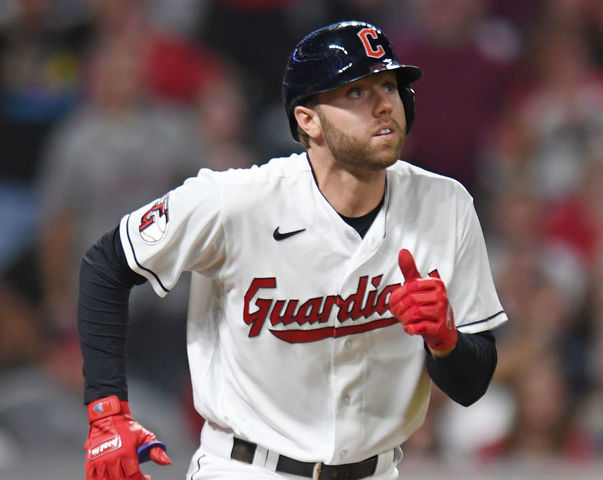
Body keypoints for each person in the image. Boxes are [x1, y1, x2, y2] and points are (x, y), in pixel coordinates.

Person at [77, 20, 508, 480]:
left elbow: (471, 384)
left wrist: (445, 341)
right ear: (308, 119)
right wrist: (107, 412)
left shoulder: (446, 205)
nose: (385, 104)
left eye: (389, 85)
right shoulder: (236, 201)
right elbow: (105, 264)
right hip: (247, 467)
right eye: (357, 92)